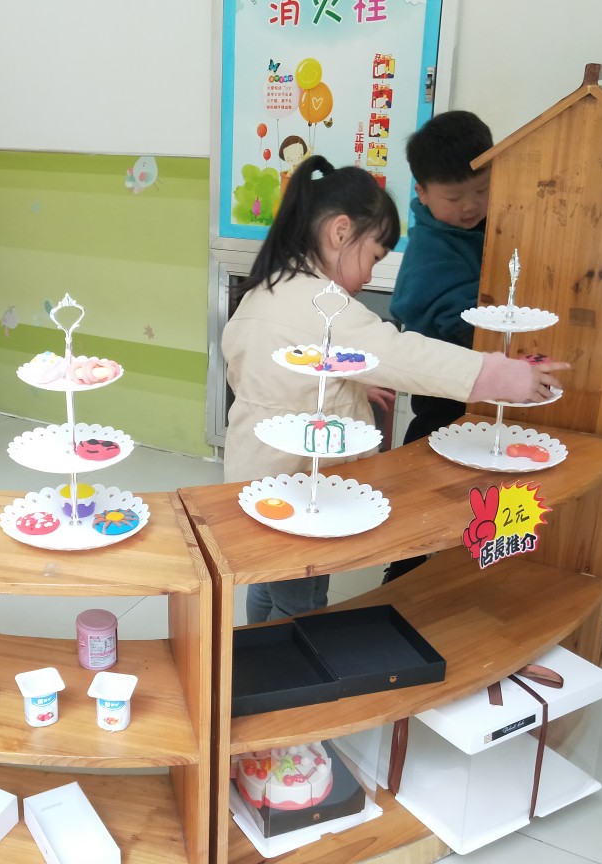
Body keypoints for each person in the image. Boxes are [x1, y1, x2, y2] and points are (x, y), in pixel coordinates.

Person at [223, 155, 565, 623]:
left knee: (269, 578)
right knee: (303, 596)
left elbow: (268, 373)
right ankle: (287, 655)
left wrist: (347, 386)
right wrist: (502, 375)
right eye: (373, 257)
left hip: (253, 476)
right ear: (340, 232)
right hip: (300, 488)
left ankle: (253, 639)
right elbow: (405, 355)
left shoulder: (267, 289)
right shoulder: (323, 304)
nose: (368, 277)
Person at [384, 111, 493, 583]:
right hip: (442, 381)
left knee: (470, 470)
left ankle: (462, 553)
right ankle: (403, 567)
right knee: (431, 461)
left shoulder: (485, 225)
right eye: (454, 197)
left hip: (476, 378)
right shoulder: (432, 246)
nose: (470, 206)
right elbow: (426, 307)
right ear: (423, 193)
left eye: (481, 190)